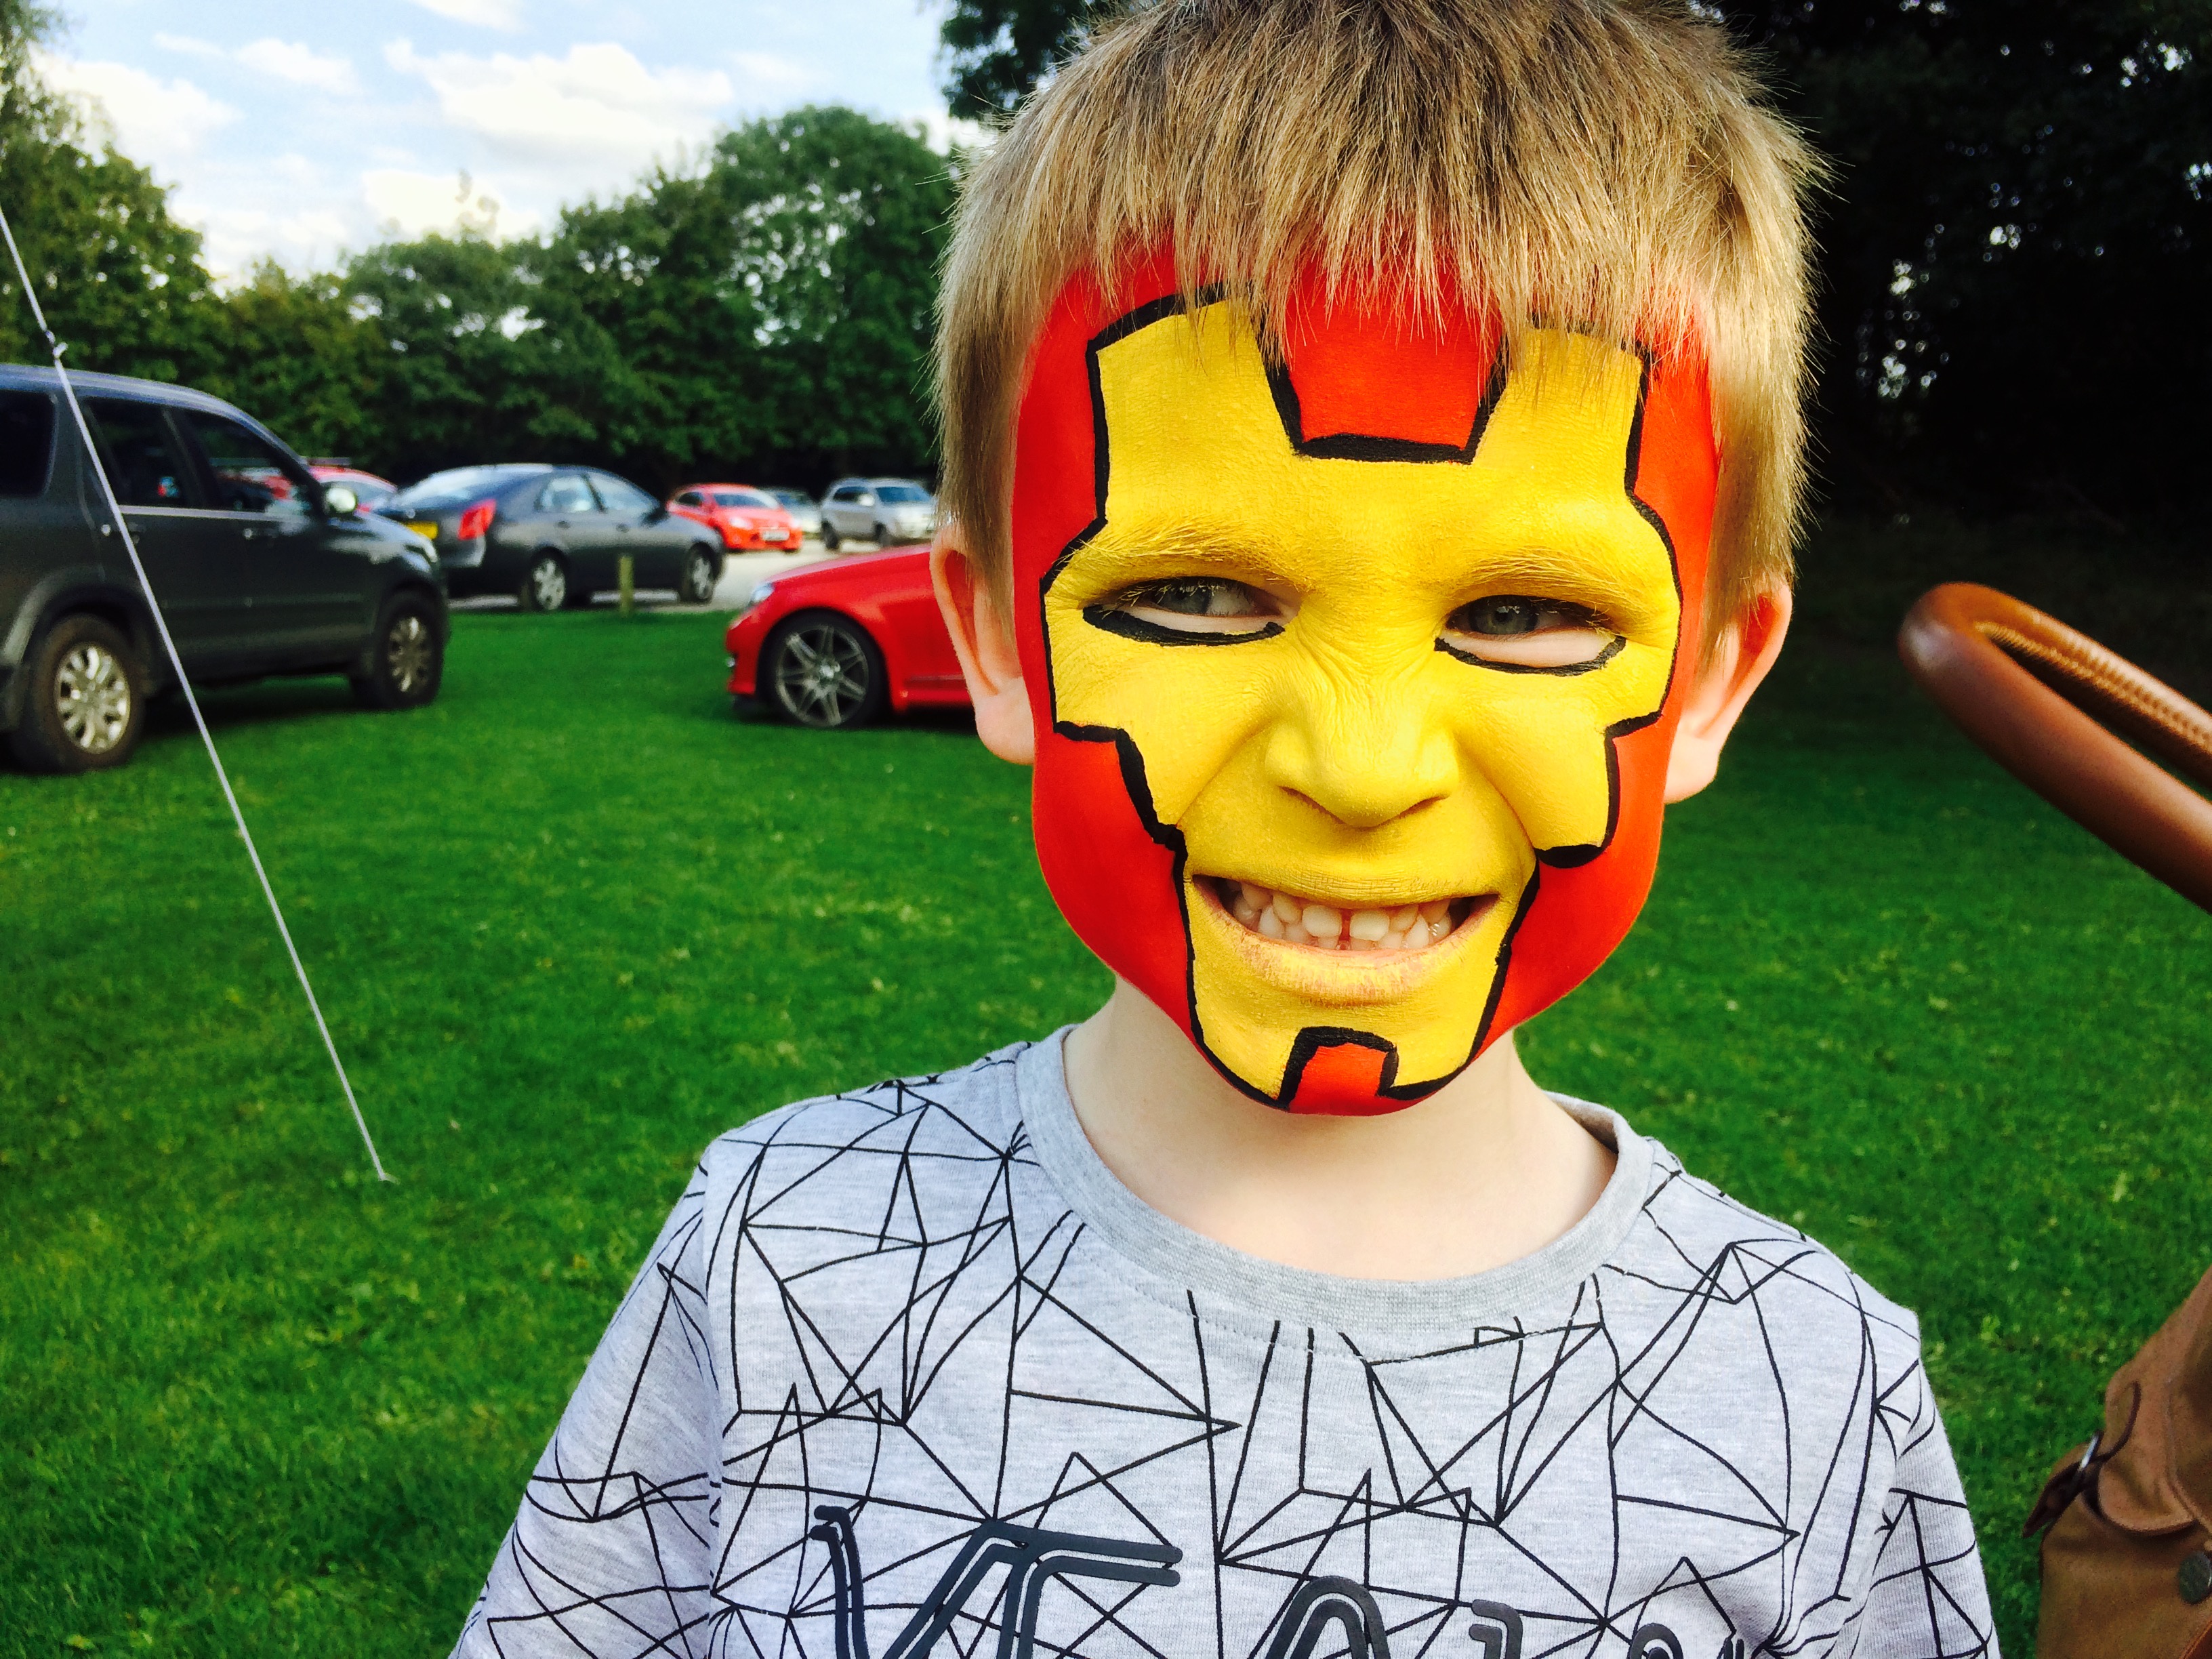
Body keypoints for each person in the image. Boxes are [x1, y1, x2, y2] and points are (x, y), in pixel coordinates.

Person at [453, 3, 1996, 1654]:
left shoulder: (1812, 1393)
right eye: (1193, 597)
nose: (1361, 766)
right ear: (997, 641)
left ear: (1706, 686)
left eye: (1525, 614)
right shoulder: (778, 1257)